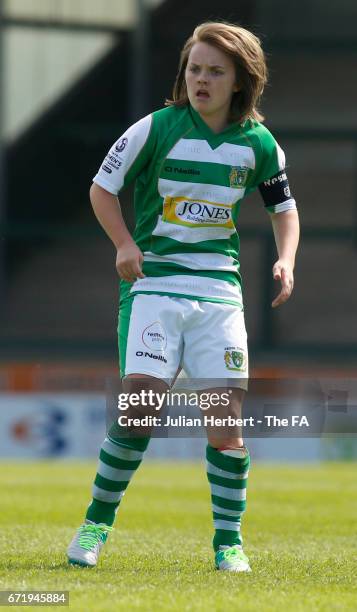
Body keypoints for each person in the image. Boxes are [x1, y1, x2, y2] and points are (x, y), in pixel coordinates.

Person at [67, 21, 299, 572]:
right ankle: (95, 525)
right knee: (140, 407)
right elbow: (103, 188)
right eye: (195, 68)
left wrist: (286, 258)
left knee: (226, 421)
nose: (201, 79)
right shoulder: (156, 128)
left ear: (241, 81)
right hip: (154, 289)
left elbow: (283, 208)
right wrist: (124, 242)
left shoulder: (258, 143)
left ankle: (228, 545)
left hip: (219, 294)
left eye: (215, 71)